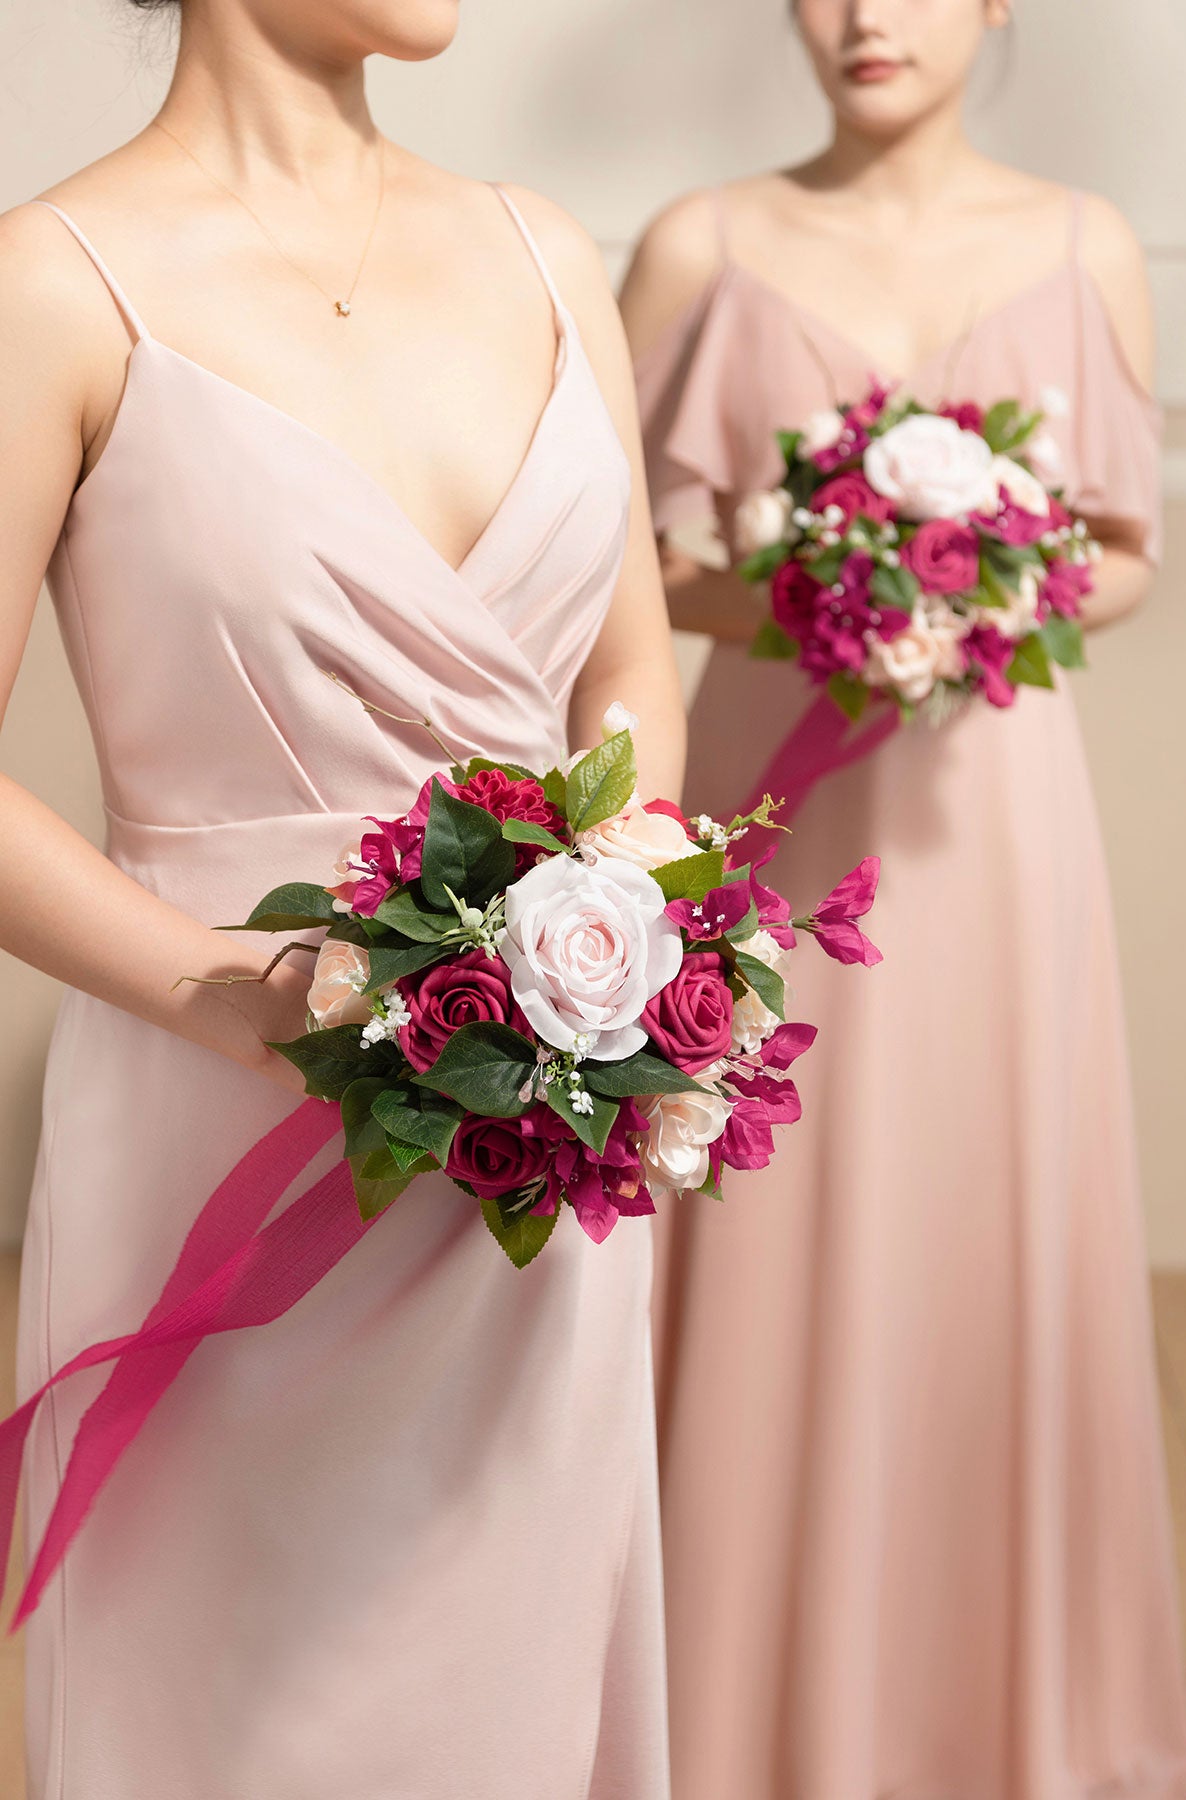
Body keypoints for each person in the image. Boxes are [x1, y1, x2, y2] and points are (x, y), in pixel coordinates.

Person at [0, 0, 684, 1792]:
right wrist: (247, 998)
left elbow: (632, 674)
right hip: (213, 1119)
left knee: (512, 1698)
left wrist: (621, 948)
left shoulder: (546, 250)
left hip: (528, 1144)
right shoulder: (55, 282)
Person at [620, 1, 1186, 1794]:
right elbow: (613, 563)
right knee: (770, 1209)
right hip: (775, 803)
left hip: (993, 832)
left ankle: (1005, 1728)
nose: (868, 15)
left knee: (986, 1221)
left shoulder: (1086, 238)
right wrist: (823, 600)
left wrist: (989, 594)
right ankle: (742, 1723)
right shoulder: (700, 243)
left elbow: (1125, 553)